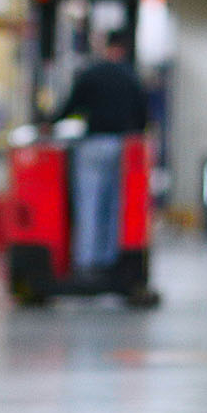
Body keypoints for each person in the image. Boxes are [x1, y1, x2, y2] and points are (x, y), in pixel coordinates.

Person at [52, 32, 149, 274]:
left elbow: (72, 105)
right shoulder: (131, 77)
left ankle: (85, 261)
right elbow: (143, 115)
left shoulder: (92, 74)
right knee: (114, 205)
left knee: (88, 203)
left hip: (93, 144)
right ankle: (109, 260)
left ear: (107, 47)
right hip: (121, 147)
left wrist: (50, 122)